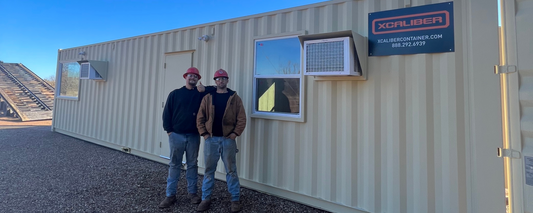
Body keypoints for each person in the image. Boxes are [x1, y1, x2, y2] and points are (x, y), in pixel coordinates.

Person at [160, 67, 215, 209]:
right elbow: (167, 113)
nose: (193, 78)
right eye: (190, 76)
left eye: (195, 76)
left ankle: (192, 194)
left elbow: (218, 88)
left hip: (193, 136)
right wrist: (169, 131)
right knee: (174, 164)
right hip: (176, 135)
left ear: (198, 80)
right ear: (185, 77)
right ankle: (170, 195)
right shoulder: (175, 94)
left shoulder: (200, 93)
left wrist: (205, 88)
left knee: (192, 165)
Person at [196, 69, 247, 212]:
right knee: (208, 170)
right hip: (210, 140)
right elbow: (200, 117)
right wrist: (204, 134)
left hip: (228, 140)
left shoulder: (234, 97)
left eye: (223, 78)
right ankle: (206, 198)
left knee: (231, 171)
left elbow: (241, 118)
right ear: (215, 81)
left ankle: (235, 199)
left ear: (227, 80)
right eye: (218, 79)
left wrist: (235, 133)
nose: (221, 81)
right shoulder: (208, 97)